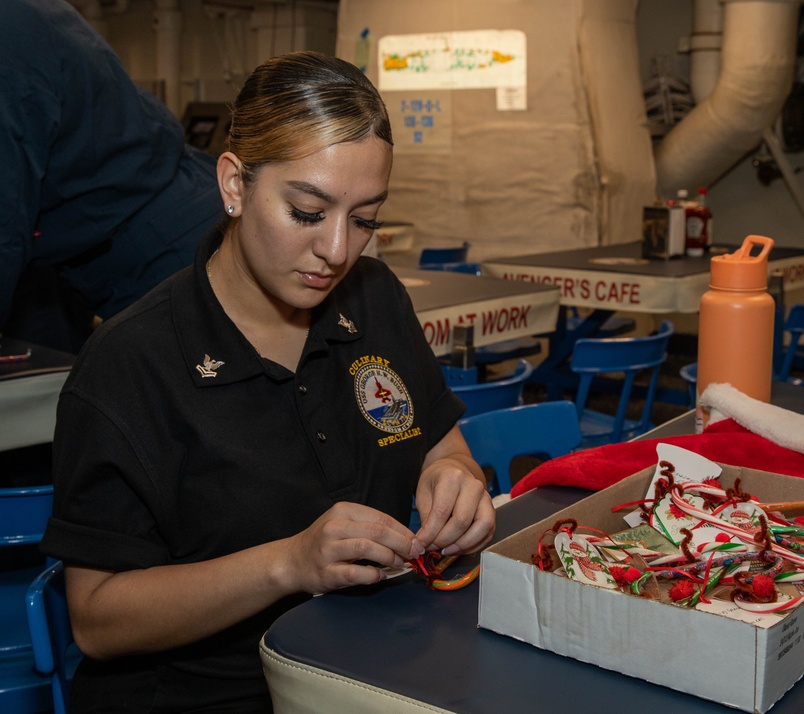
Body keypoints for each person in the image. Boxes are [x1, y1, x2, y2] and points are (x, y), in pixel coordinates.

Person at [41, 51, 496, 713]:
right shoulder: (129, 364)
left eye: (364, 219)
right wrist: (288, 563)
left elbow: (440, 442)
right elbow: (98, 619)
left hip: (382, 670)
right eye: (308, 213)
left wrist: (457, 477)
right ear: (233, 186)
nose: (338, 250)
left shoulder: (375, 300)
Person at [0, 0, 223, 352]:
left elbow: (5, 218)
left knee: (199, 390)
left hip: (159, 240)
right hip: (86, 245)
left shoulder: (8, 31)